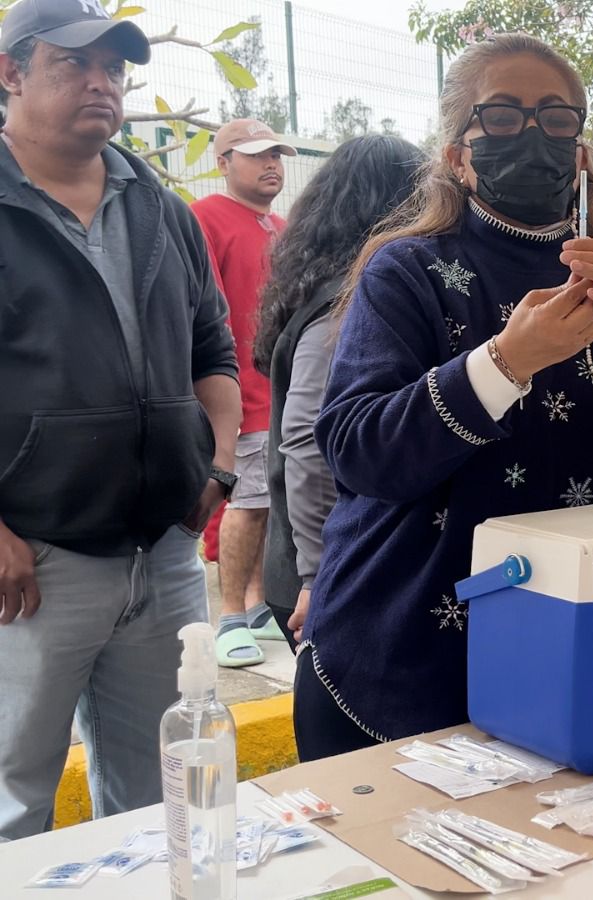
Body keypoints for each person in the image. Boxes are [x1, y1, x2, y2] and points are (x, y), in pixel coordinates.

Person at [296, 33, 593, 761]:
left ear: (580, 153)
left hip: (589, 654)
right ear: (456, 153)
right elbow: (357, 452)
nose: (532, 134)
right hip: (412, 657)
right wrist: (506, 362)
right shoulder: (408, 272)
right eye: (502, 117)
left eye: (557, 119)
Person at [0, 0, 241, 838]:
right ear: (10, 73)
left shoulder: (160, 208)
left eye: (114, 67)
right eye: (73, 64)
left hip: (166, 550)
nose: (100, 82)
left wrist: (216, 469)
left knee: (162, 796)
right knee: (13, 797)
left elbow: (214, 349)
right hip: (35, 562)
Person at [253, 134, 426, 651]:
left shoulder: (334, 288)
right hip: (329, 574)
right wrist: (317, 575)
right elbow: (308, 440)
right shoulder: (344, 305)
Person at [191, 118, 295, 666]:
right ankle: (231, 612)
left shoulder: (278, 224)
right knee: (249, 503)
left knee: (271, 503)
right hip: (239, 391)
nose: (271, 163)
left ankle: (256, 606)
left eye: (276, 153)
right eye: (255, 155)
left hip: (279, 390)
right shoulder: (204, 219)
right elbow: (202, 312)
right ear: (223, 163)